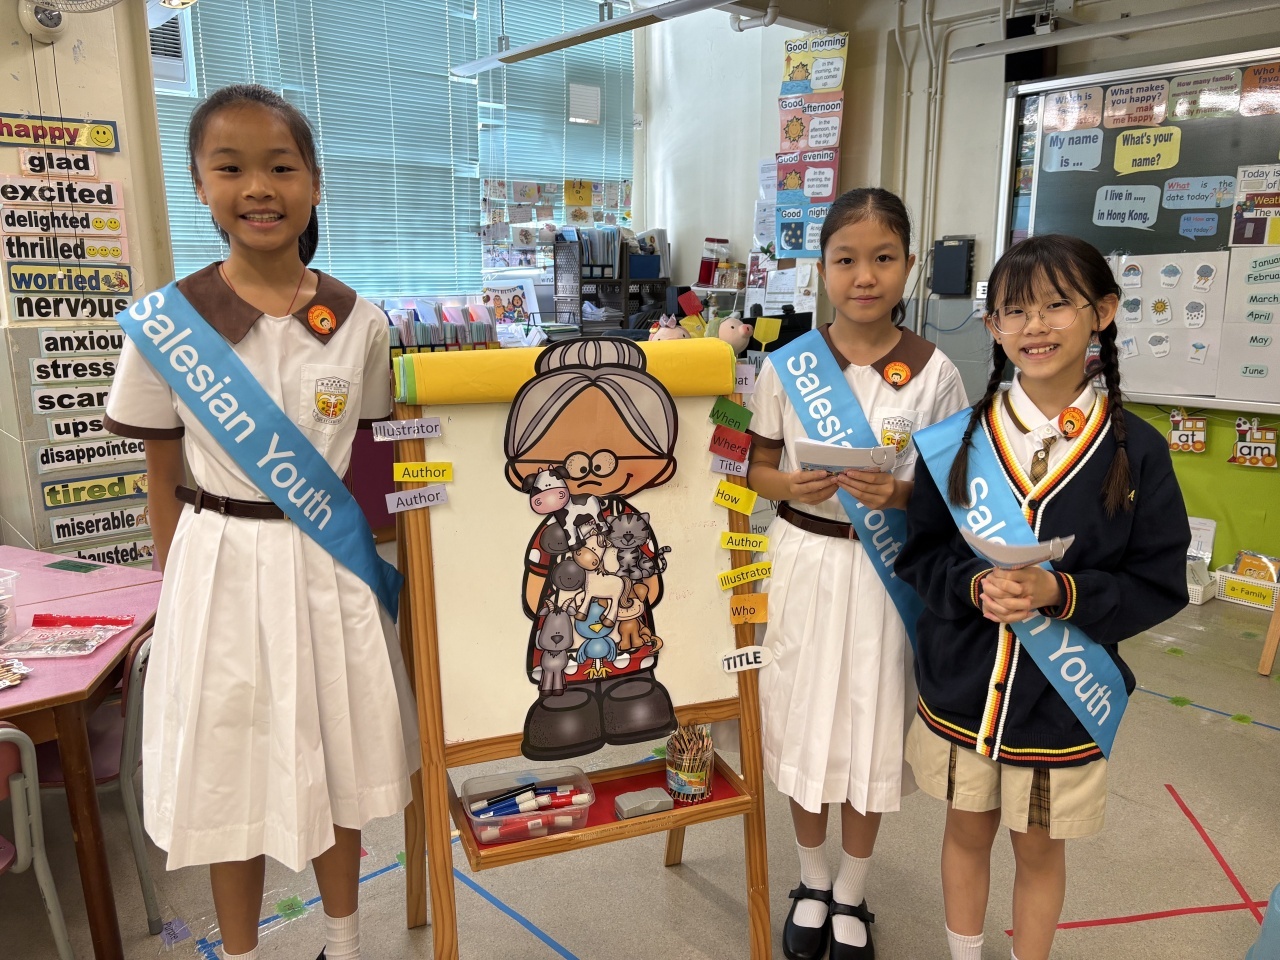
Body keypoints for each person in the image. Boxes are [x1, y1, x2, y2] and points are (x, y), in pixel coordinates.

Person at [104, 84, 419, 960]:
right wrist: (176, 598)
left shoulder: (359, 322)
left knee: (341, 763)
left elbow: (372, 470)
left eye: (281, 167)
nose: (258, 188)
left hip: (329, 568)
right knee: (227, 778)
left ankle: (343, 944)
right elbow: (160, 479)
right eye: (231, 167)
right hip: (220, 567)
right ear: (200, 185)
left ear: (314, 183)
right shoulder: (165, 325)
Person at [898, 234, 1190, 960]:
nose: (1035, 326)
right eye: (1014, 310)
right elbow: (922, 556)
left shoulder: (1138, 450)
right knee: (965, 831)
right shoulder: (955, 441)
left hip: (1061, 700)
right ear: (993, 325)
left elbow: (1159, 583)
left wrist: (1062, 591)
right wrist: (973, 583)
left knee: (1037, 848)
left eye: (1057, 305)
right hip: (964, 686)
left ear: (1103, 313)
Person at [746, 188, 969, 960]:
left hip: (886, 574)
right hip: (803, 561)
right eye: (846, 260)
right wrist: (788, 484)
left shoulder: (936, 371)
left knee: (870, 729)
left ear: (908, 266)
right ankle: (811, 881)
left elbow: (955, 488)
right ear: (822, 269)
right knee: (801, 720)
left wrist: (899, 495)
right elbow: (753, 466)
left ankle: (850, 891)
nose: (864, 276)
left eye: (883, 258)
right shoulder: (788, 365)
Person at [503, 338, 679, 760]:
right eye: (574, 464)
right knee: (564, 676)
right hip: (566, 617)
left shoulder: (626, 516)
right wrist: (542, 604)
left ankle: (630, 688)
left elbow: (646, 570)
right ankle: (566, 701)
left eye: (604, 461)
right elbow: (538, 573)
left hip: (624, 611)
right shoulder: (553, 526)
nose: (588, 470)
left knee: (630, 669)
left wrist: (643, 590)